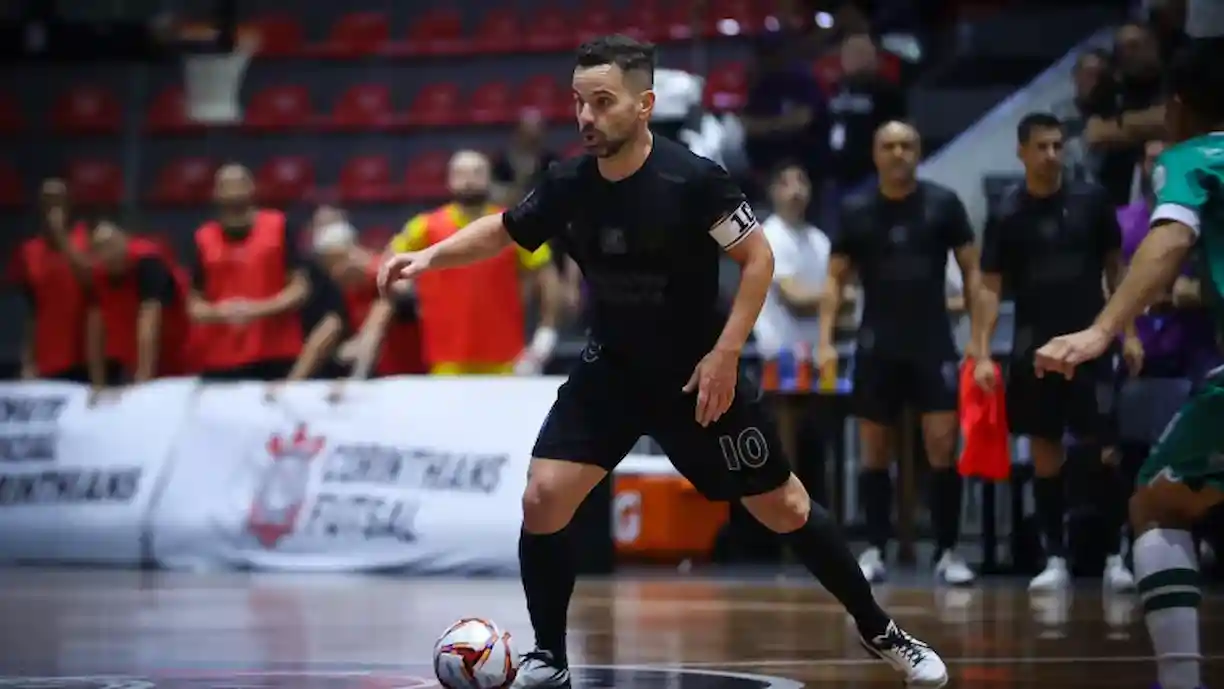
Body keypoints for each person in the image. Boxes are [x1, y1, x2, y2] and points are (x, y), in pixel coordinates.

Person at [379, 35, 947, 688]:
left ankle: (881, 629)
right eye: (578, 104)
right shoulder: (568, 182)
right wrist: (429, 256)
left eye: (602, 102)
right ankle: (549, 659)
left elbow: (757, 260)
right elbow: (506, 229)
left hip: (698, 375)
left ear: (644, 105)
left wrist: (726, 354)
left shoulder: (694, 179)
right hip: (611, 373)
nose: (587, 117)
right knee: (543, 498)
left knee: (785, 507)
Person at [1034, 37, 1224, 689]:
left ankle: (1179, 682)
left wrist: (1102, 329)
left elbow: (1170, 237)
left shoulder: (1195, 155)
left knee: (1156, 506)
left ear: (1176, 108)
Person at [973, 112, 1136, 592]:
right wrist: (980, 351)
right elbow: (988, 287)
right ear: (1022, 153)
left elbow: (1117, 271)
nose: (1051, 155)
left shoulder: (1092, 200)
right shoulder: (1006, 212)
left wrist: (1129, 333)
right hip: (1034, 346)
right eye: (1041, 147)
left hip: (1091, 341)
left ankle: (1114, 557)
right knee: (1044, 452)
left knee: (1103, 452)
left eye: (1057, 146)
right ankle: (1055, 558)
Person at [818, 120, 981, 587]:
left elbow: (974, 273)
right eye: (888, 145)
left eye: (907, 145)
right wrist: (827, 341)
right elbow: (835, 280)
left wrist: (980, 338)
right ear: (875, 153)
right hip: (877, 342)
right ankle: (873, 548)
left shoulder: (942, 204)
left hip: (933, 339)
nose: (898, 153)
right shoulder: (856, 209)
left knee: (943, 446)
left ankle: (949, 551)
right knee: (874, 450)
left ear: (918, 151)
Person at [387, 150, 563, 376]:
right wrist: (403, 286)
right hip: (446, 360)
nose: (469, 179)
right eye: (461, 173)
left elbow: (547, 276)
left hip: (504, 360)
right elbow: (392, 257)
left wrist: (546, 332)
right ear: (449, 180)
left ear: (489, 178)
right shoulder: (424, 226)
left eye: (477, 172)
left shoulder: (512, 225)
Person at [184, 164, 310, 381]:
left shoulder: (279, 226)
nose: (234, 193)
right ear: (215, 194)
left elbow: (300, 288)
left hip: (275, 355)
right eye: (226, 186)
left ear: (253, 189)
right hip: (219, 359)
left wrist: (255, 310)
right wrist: (220, 313)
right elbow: (193, 304)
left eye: (240, 184)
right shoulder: (202, 239)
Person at [311, 207, 425, 378]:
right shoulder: (344, 288)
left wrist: (370, 266)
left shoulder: (378, 268)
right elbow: (329, 329)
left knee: (382, 305)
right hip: (381, 372)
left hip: (412, 366)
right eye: (329, 266)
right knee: (331, 324)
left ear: (351, 254)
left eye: (337, 263)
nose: (334, 272)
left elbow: (405, 290)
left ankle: (357, 375)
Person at [85, 220, 191, 392]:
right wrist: (97, 383)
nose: (109, 254)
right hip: (131, 362)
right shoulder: (98, 275)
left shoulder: (149, 264)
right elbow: (95, 330)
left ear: (125, 240)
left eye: (112, 245)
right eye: (100, 248)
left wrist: (142, 381)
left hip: (177, 362)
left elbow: (148, 323)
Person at [12, 178, 94, 382]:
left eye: (59, 200)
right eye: (47, 201)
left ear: (70, 204)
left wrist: (61, 237)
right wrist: (28, 361)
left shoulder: (87, 238)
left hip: (88, 358)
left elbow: (89, 282)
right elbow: (33, 312)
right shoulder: (28, 252)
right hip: (48, 359)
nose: (53, 207)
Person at [1083, 22, 1167, 206]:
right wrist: (1145, 127)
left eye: (1134, 46)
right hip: (1114, 192)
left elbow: (1168, 121)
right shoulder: (1111, 89)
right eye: (1122, 49)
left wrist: (1122, 129)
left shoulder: (1173, 80)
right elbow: (1095, 133)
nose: (1128, 54)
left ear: (1153, 45)